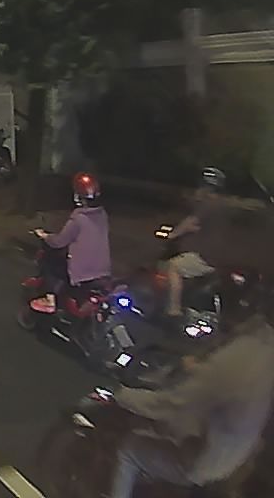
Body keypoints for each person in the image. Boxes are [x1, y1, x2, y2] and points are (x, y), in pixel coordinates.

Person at [108, 274, 274, 498]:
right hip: (242, 451)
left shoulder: (232, 362)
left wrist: (122, 395)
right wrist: (198, 366)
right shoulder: (264, 344)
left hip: (210, 461)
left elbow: (169, 405)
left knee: (130, 449)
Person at [30, 172, 112, 313]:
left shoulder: (78, 219)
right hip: (102, 269)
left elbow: (59, 242)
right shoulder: (102, 215)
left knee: (50, 263)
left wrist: (45, 236)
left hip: (83, 271)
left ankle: (50, 300)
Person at [163, 167, 229, 318]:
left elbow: (190, 221)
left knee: (173, 267)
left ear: (206, 186)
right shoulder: (220, 204)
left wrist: (173, 234)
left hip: (206, 255)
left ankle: (174, 310)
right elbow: (201, 225)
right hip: (217, 254)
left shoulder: (208, 204)